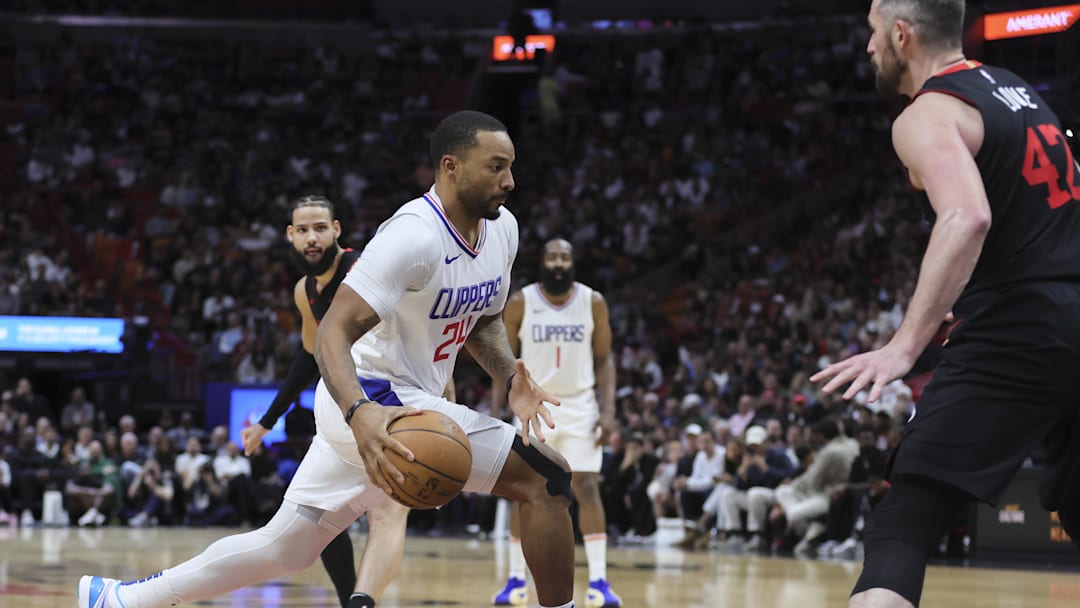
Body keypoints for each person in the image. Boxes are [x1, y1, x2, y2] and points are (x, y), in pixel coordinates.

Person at [79, 110, 577, 608]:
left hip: (396, 399)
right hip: (372, 397)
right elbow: (329, 336)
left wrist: (511, 375)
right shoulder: (412, 236)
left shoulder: (503, 230)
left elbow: (483, 319)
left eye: (511, 167)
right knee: (546, 477)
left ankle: (119, 599)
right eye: (496, 167)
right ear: (451, 166)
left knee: (285, 548)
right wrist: (359, 414)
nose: (510, 181)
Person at [810, 1, 1080, 607]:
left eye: (874, 34)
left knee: (904, 516)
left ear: (901, 35)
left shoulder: (926, 113)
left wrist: (904, 347)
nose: (869, 47)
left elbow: (968, 215)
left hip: (1021, 321)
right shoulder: (1015, 89)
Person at [237, 194, 416, 608]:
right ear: (290, 236)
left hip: (396, 398)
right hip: (346, 409)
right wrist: (267, 421)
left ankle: (362, 599)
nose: (312, 237)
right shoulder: (304, 291)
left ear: (336, 230)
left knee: (387, 512)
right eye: (303, 230)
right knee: (325, 517)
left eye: (320, 228)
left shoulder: (363, 271)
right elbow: (309, 354)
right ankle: (348, 600)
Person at [490, 238, 621, 607]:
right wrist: (498, 407)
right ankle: (516, 580)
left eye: (565, 256)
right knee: (525, 491)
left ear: (573, 262)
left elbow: (605, 359)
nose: (559, 262)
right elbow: (500, 357)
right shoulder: (521, 302)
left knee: (588, 486)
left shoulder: (593, 301)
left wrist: (608, 411)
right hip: (533, 402)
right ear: (543, 262)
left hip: (580, 403)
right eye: (552, 256)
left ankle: (600, 581)